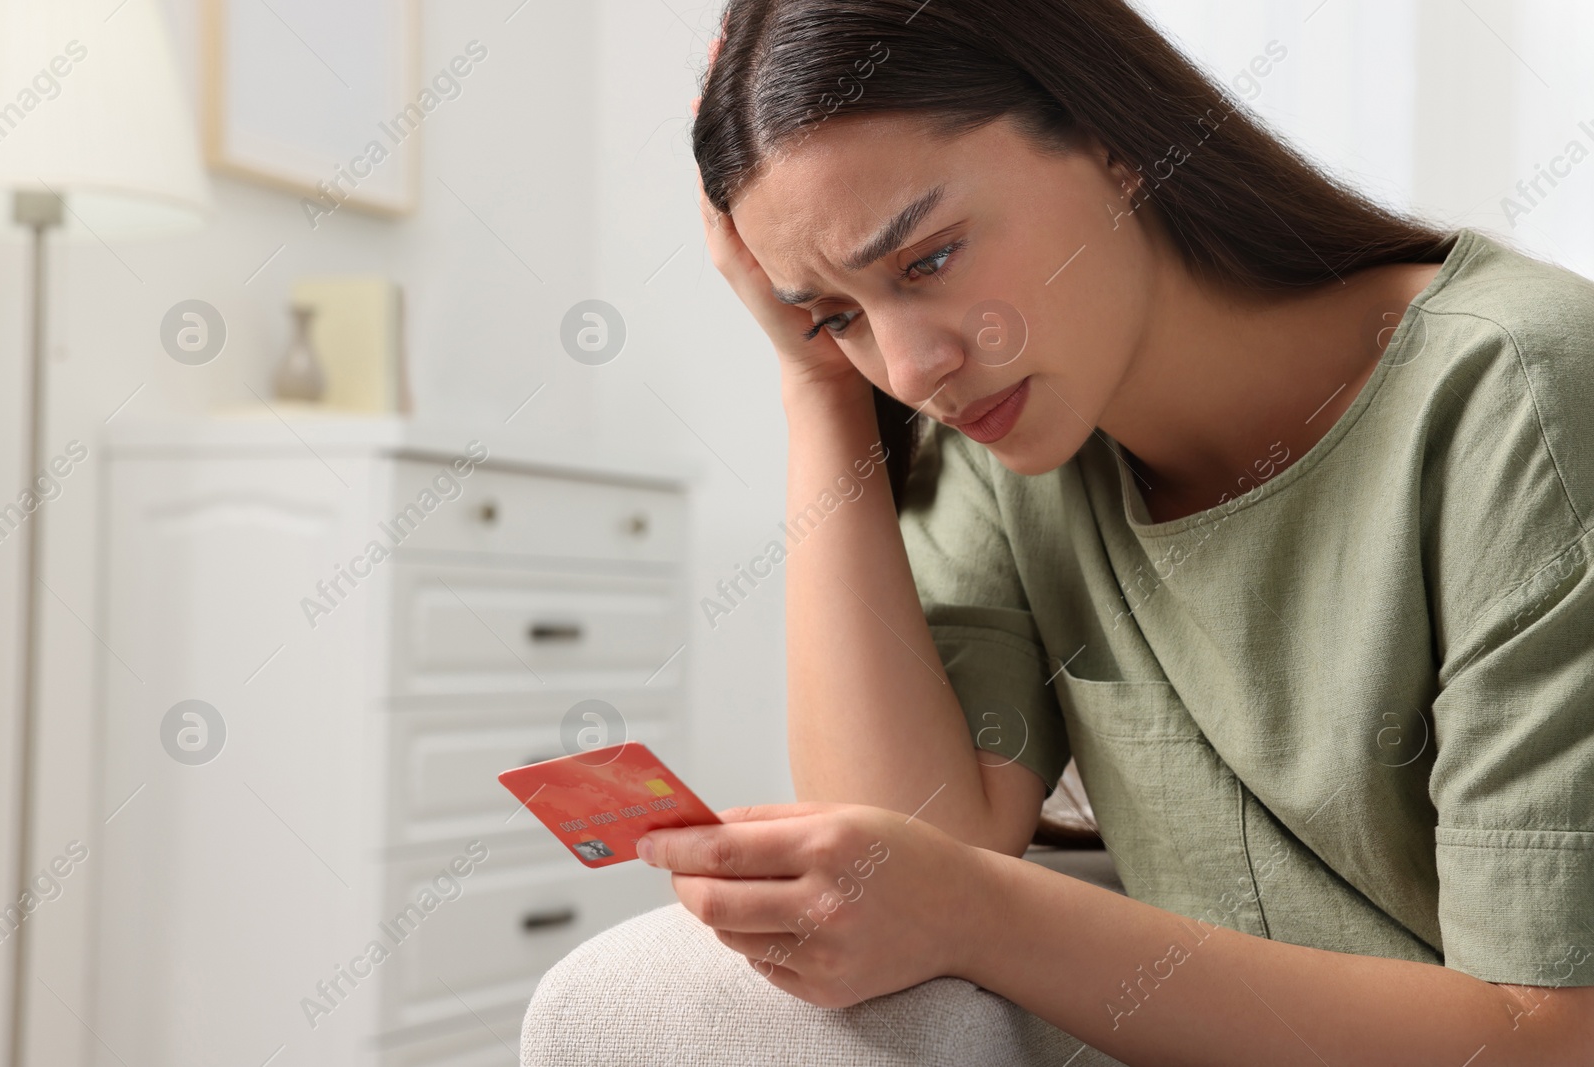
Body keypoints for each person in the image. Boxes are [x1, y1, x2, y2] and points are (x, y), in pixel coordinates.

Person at [523, 1, 1594, 1063]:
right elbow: (908, 852)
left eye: (927, 260)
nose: (909, 370)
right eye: (839, 313)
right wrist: (814, 385)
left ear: (1114, 141)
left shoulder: (1520, 394)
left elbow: (1552, 1035)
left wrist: (982, 913)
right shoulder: (1011, 436)